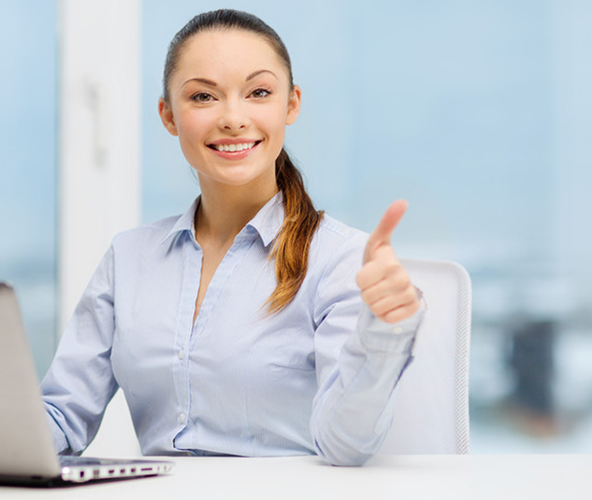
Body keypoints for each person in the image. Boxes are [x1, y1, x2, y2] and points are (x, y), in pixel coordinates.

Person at [41, 9, 424, 466]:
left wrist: (383, 332)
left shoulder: (339, 259)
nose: (233, 118)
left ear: (291, 104)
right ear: (168, 115)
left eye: (259, 92)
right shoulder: (130, 257)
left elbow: (345, 445)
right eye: (203, 96)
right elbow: (62, 416)